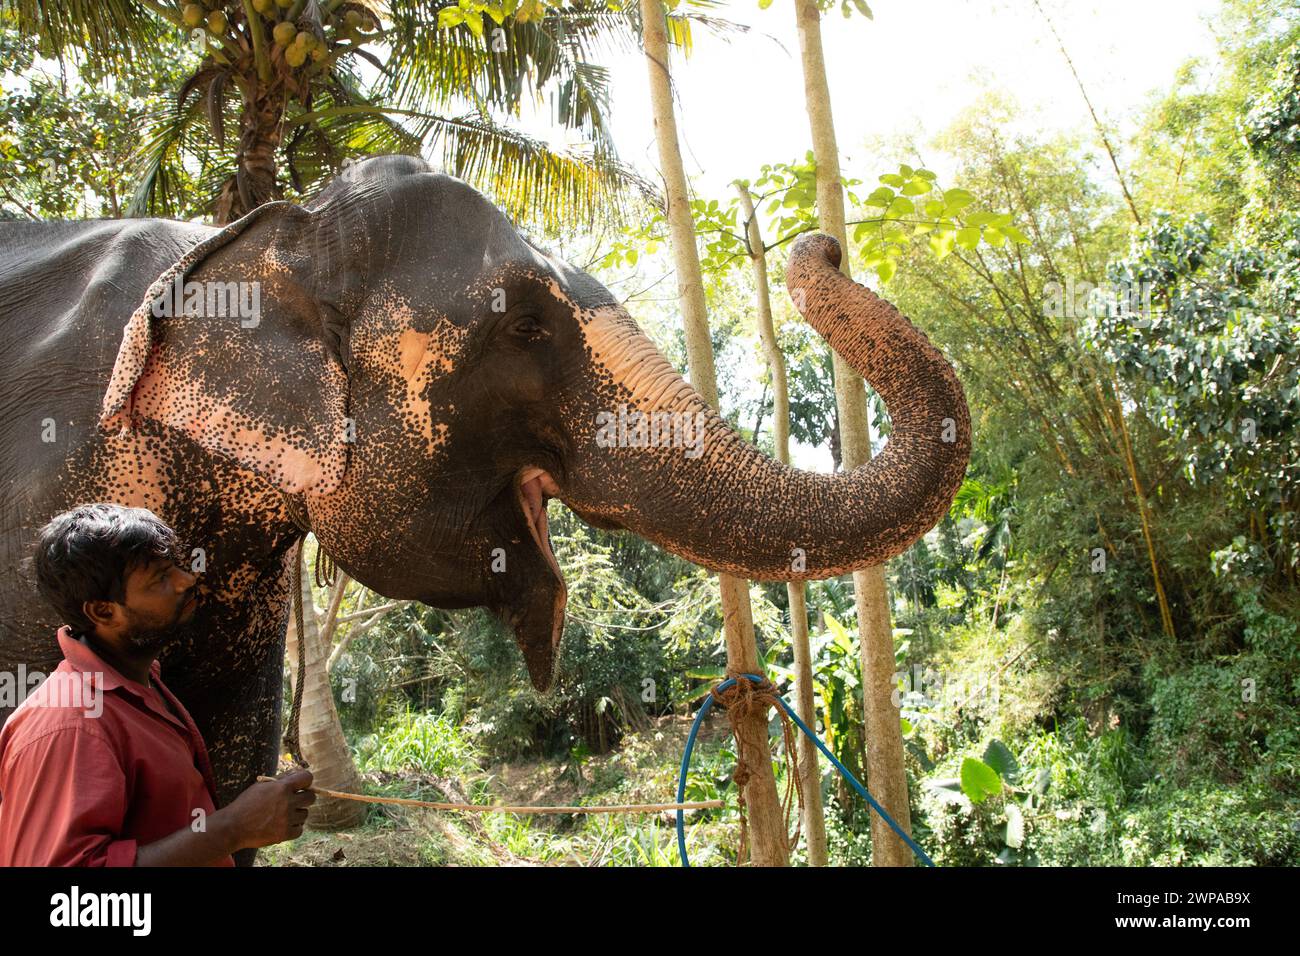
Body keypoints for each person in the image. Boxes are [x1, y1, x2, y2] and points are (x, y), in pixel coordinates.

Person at [0, 503, 313, 866]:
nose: (187, 579)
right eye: (160, 578)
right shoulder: (69, 726)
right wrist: (232, 828)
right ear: (103, 612)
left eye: (177, 566)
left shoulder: (140, 685)